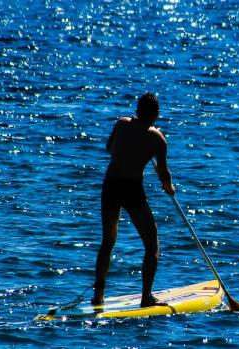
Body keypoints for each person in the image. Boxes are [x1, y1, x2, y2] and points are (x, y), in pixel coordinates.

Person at [92, 92, 176, 307]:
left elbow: (109, 148)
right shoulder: (157, 139)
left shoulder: (121, 124)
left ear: (138, 110)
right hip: (131, 189)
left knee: (107, 242)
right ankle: (146, 297)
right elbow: (164, 174)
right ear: (156, 114)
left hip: (110, 185)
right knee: (151, 243)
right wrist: (170, 188)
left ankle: (98, 296)